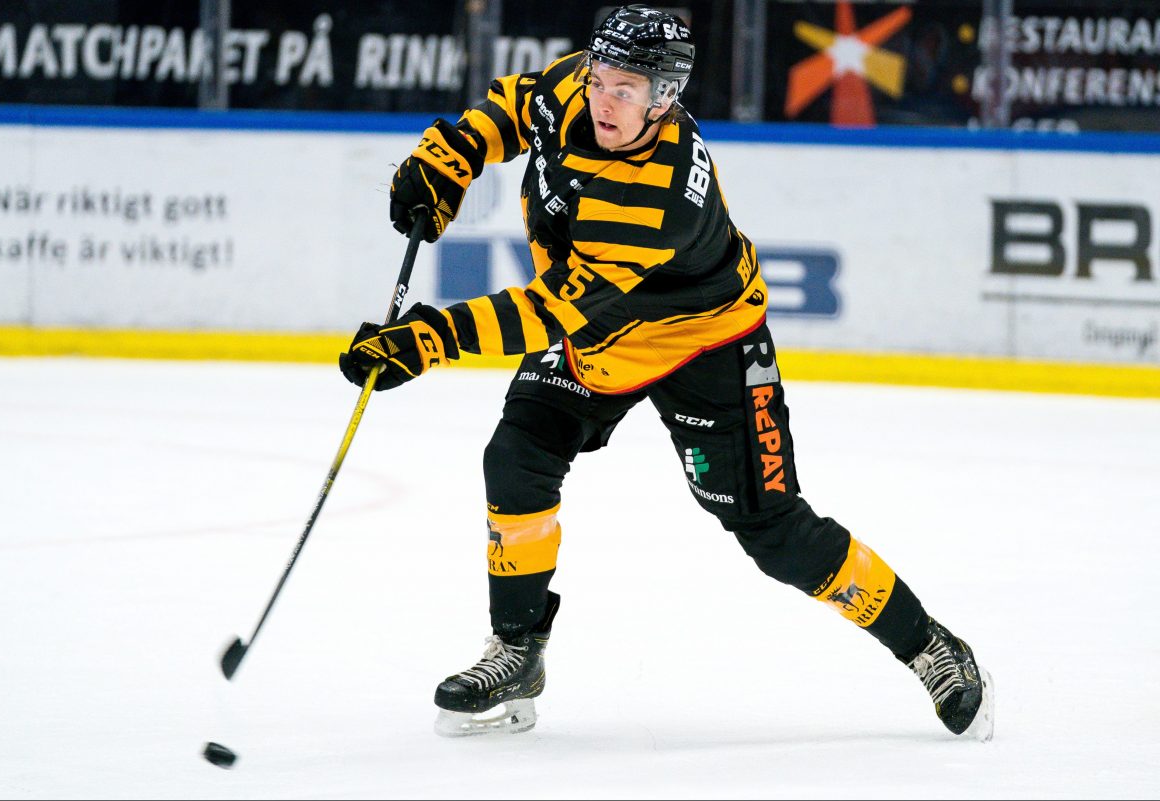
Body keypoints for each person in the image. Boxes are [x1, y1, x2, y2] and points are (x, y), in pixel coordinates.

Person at [339, 4, 994, 741]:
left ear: (666, 98)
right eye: (600, 78)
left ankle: (930, 644)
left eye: (627, 88)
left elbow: (549, 310)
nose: (604, 99)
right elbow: (512, 107)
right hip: (603, 332)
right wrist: (444, 160)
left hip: (703, 345)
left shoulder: (654, 194)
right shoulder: (574, 89)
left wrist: (427, 339)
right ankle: (518, 649)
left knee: (775, 532)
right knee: (517, 455)